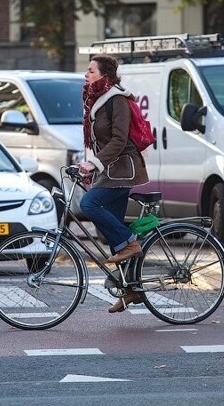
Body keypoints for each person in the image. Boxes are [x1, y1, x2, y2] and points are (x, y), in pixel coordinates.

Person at [78, 55, 149, 314]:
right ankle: (132, 288)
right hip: (108, 170)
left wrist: (94, 163)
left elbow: (119, 141)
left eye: (90, 70)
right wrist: (86, 165)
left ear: (104, 75)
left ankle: (131, 241)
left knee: (89, 204)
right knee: (111, 233)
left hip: (123, 169)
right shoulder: (95, 100)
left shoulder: (117, 99)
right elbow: (95, 142)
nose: (86, 75)